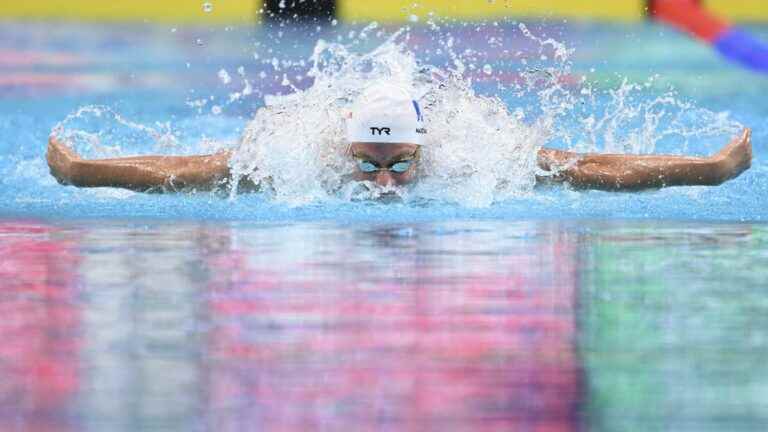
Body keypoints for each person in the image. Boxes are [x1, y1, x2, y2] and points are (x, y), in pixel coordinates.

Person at [46, 83, 752, 194]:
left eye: (400, 164)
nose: (383, 185)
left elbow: (594, 167)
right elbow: (188, 169)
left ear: (427, 147)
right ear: (341, 149)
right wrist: (87, 173)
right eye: (367, 165)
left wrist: (709, 170)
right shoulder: (299, 157)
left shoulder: (477, 156)